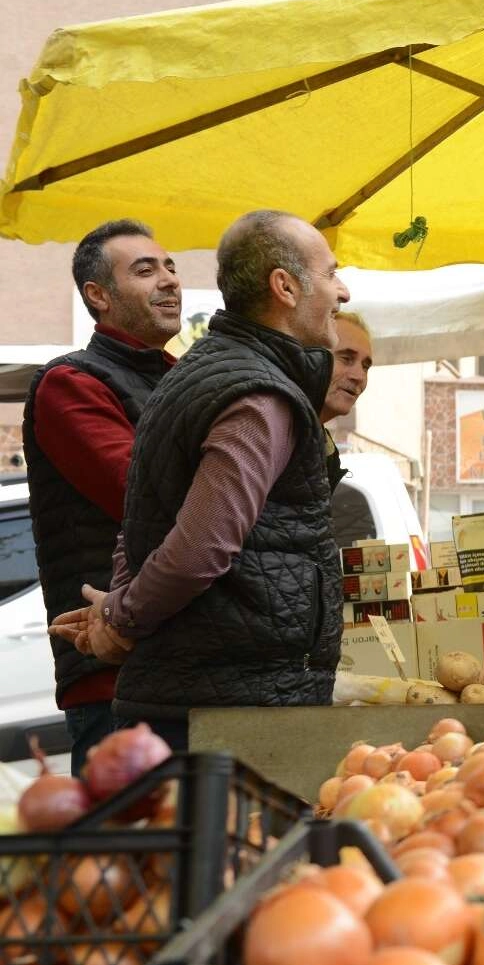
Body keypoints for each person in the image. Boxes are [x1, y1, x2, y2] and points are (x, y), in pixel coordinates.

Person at [48, 209, 352, 751]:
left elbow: (146, 517)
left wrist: (121, 613)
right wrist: (121, 615)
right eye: (331, 274)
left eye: (170, 266)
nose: (343, 291)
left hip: (191, 684)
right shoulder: (256, 394)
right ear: (283, 287)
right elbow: (197, 543)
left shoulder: (188, 373)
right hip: (230, 701)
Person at [23, 220, 181, 774]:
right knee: (130, 856)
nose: (169, 281)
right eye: (145, 270)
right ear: (98, 296)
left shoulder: (180, 379)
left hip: (185, 665)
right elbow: (142, 497)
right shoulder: (71, 383)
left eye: (170, 267)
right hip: (117, 683)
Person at [321, 312, 375, 547]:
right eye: (346, 358)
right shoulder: (274, 429)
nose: (359, 377)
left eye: (365, 366)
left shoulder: (321, 446)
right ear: (311, 358)